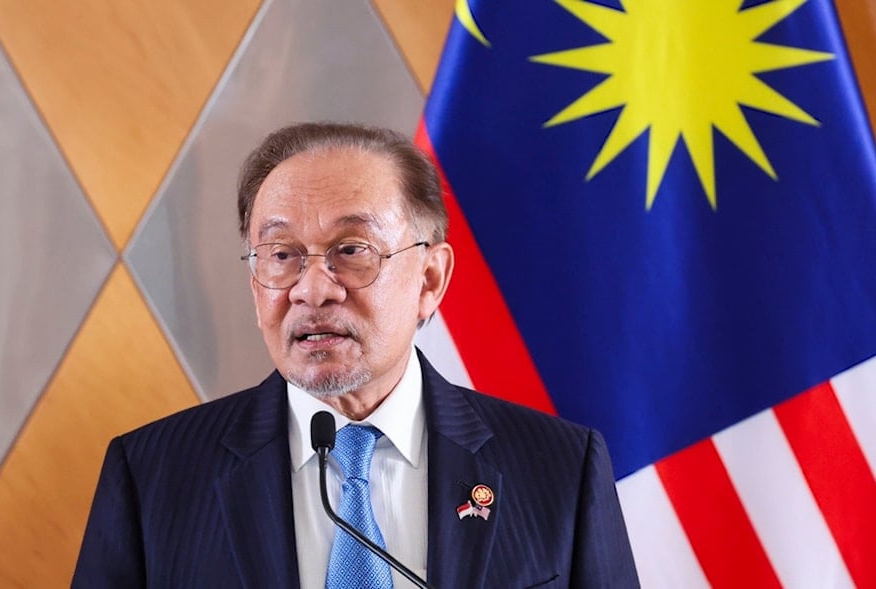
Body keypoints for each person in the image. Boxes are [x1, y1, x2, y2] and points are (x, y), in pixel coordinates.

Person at [72, 122, 639, 588]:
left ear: (430, 278)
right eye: (281, 255)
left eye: (350, 250)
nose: (312, 288)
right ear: (254, 283)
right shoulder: (151, 476)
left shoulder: (561, 468)